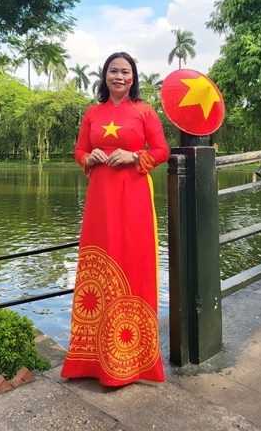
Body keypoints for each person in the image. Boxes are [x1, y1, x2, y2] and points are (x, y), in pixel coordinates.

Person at [61, 52, 170, 386]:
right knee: (99, 265)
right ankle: (90, 362)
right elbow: (79, 151)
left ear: (133, 77)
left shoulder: (145, 111)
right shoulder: (92, 113)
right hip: (100, 200)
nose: (119, 76)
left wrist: (134, 155)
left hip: (134, 197)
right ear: (104, 76)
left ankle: (131, 361)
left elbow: (162, 151)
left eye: (125, 71)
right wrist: (89, 157)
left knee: (133, 262)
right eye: (113, 71)